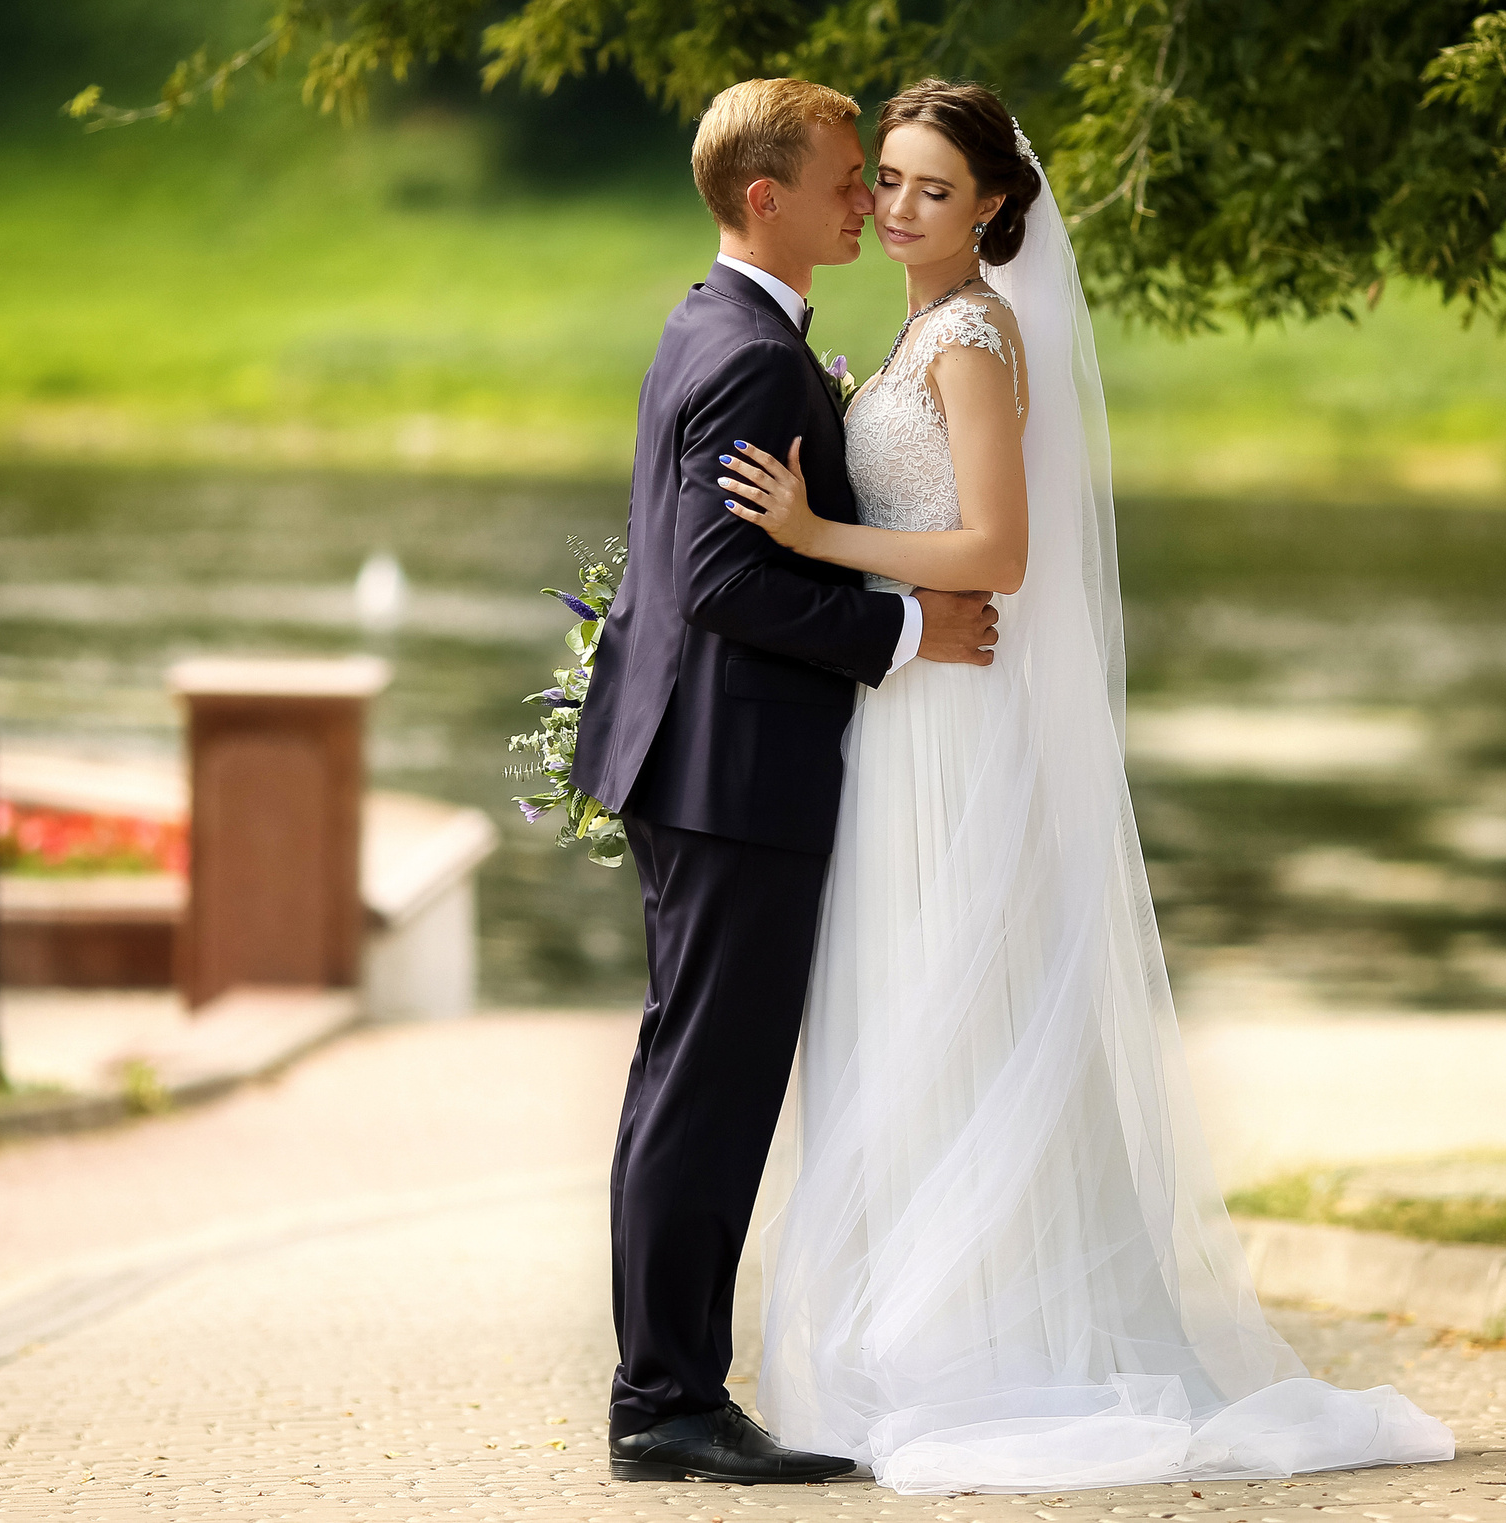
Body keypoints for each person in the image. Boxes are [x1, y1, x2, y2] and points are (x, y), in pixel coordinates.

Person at [716, 78, 1456, 1494]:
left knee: (964, 1006)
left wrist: (813, 536)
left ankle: (979, 1348)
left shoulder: (977, 335)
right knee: (908, 1004)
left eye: (935, 187)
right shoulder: (917, 331)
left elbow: (998, 552)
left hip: (958, 712)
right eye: (886, 179)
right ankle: (931, 1334)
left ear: (994, 205)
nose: (899, 205)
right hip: (906, 708)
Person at [569, 77, 1002, 1484]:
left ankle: (670, 1389)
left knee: (684, 1081)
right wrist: (903, 629)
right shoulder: (753, 355)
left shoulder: (718, 322)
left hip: (691, 767)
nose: (865, 206)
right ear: (768, 198)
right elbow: (715, 582)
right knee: (708, 1090)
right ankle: (669, 1406)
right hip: (731, 776)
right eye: (842, 182)